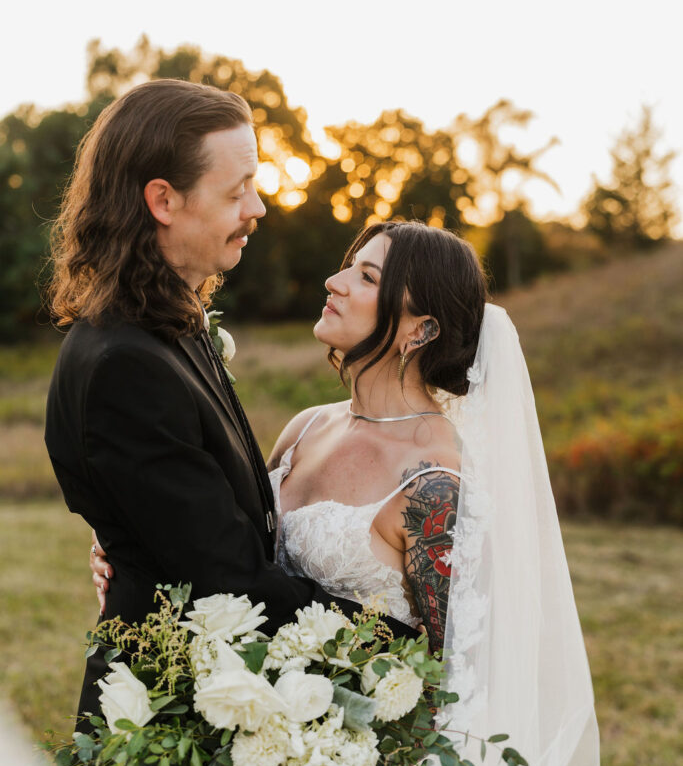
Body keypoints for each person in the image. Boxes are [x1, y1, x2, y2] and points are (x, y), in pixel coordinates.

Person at [90, 220, 611, 766]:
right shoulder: (306, 427)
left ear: (418, 327)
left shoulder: (434, 484)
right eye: (346, 267)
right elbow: (234, 562)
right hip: (248, 755)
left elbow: (450, 679)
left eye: (365, 277)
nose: (334, 282)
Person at [44, 79, 419, 729]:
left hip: (224, 689)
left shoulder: (168, 328)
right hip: (172, 718)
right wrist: (392, 639)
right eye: (236, 189)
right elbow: (229, 581)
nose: (259, 207)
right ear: (162, 199)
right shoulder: (124, 363)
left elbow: (200, 523)